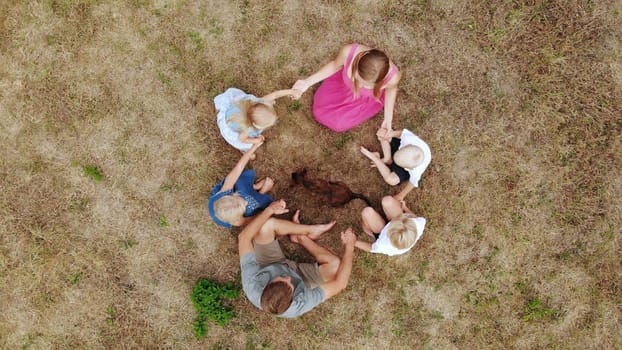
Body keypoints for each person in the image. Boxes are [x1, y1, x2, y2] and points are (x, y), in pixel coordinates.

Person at [238, 200, 356, 318]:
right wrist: (349, 246)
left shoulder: (252, 282)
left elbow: (243, 238)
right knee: (336, 267)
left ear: (265, 286)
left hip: (268, 262)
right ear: (292, 299)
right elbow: (340, 284)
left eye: (282, 278)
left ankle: (310, 230)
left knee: (266, 225)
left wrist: (269, 210)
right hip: (302, 278)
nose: (288, 277)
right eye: (290, 283)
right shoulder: (301, 303)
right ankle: (300, 238)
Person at [292, 43, 400, 132]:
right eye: (357, 79)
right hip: (341, 88)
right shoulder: (348, 52)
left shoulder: (393, 78)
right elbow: (335, 66)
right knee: (320, 107)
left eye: (367, 85)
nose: (360, 86)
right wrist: (306, 82)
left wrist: (388, 119)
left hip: (362, 101)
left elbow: (391, 90)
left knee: (339, 123)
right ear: (356, 63)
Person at [214, 87, 301, 155]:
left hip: (235, 110)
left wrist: (292, 91)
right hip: (231, 123)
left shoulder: (254, 102)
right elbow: (242, 139)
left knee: (266, 101)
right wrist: (256, 141)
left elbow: (275, 95)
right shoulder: (247, 128)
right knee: (246, 145)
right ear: (255, 125)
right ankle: (244, 151)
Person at [208, 141, 273, 228]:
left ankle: (254, 187)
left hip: (227, 199)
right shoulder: (236, 221)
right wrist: (269, 210)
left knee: (238, 180)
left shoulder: (223, 192)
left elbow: (238, 168)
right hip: (235, 211)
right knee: (251, 206)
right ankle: (261, 192)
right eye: (243, 206)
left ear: (229, 195)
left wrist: (253, 147)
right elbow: (249, 220)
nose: (245, 202)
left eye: (241, 200)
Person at [360, 127, 431, 200]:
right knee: (382, 132)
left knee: (391, 180)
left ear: (410, 169)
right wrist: (390, 134)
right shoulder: (409, 139)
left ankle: (379, 159)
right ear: (407, 145)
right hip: (401, 150)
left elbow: (412, 183)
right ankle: (387, 159)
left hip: (404, 164)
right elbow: (400, 133)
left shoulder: (416, 171)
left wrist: (401, 195)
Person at [355, 195, 426, 256]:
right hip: (396, 228)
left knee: (367, 212)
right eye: (404, 218)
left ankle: (372, 233)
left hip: (381, 231)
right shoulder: (418, 225)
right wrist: (405, 208)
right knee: (387, 201)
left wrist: (354, 242)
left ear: (389, 233)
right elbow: (414, 217)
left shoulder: (384, 245)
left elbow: (371, 248)